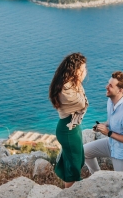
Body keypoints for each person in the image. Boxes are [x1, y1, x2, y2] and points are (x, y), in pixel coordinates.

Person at [84, 71, 123, 174]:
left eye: (110, 86)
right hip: (112, 144)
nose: (106, 87)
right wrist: (104, 125)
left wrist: (108, 133)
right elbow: (113, 120)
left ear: (120, 90)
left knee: (121, 185)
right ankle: (97, 177)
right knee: (84, 152)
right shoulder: (110, 102)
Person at [49, 52, 88, 188]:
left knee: (74, 161)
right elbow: (82, 103)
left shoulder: (70, 84)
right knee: (73, 167)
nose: (85, 72)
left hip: (73, 127)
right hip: (67, 130)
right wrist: (78, 82)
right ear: (74, 71)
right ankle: (70, 193)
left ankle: (68, 190)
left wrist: (77, 81)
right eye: (82, 70)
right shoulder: (66, 89)